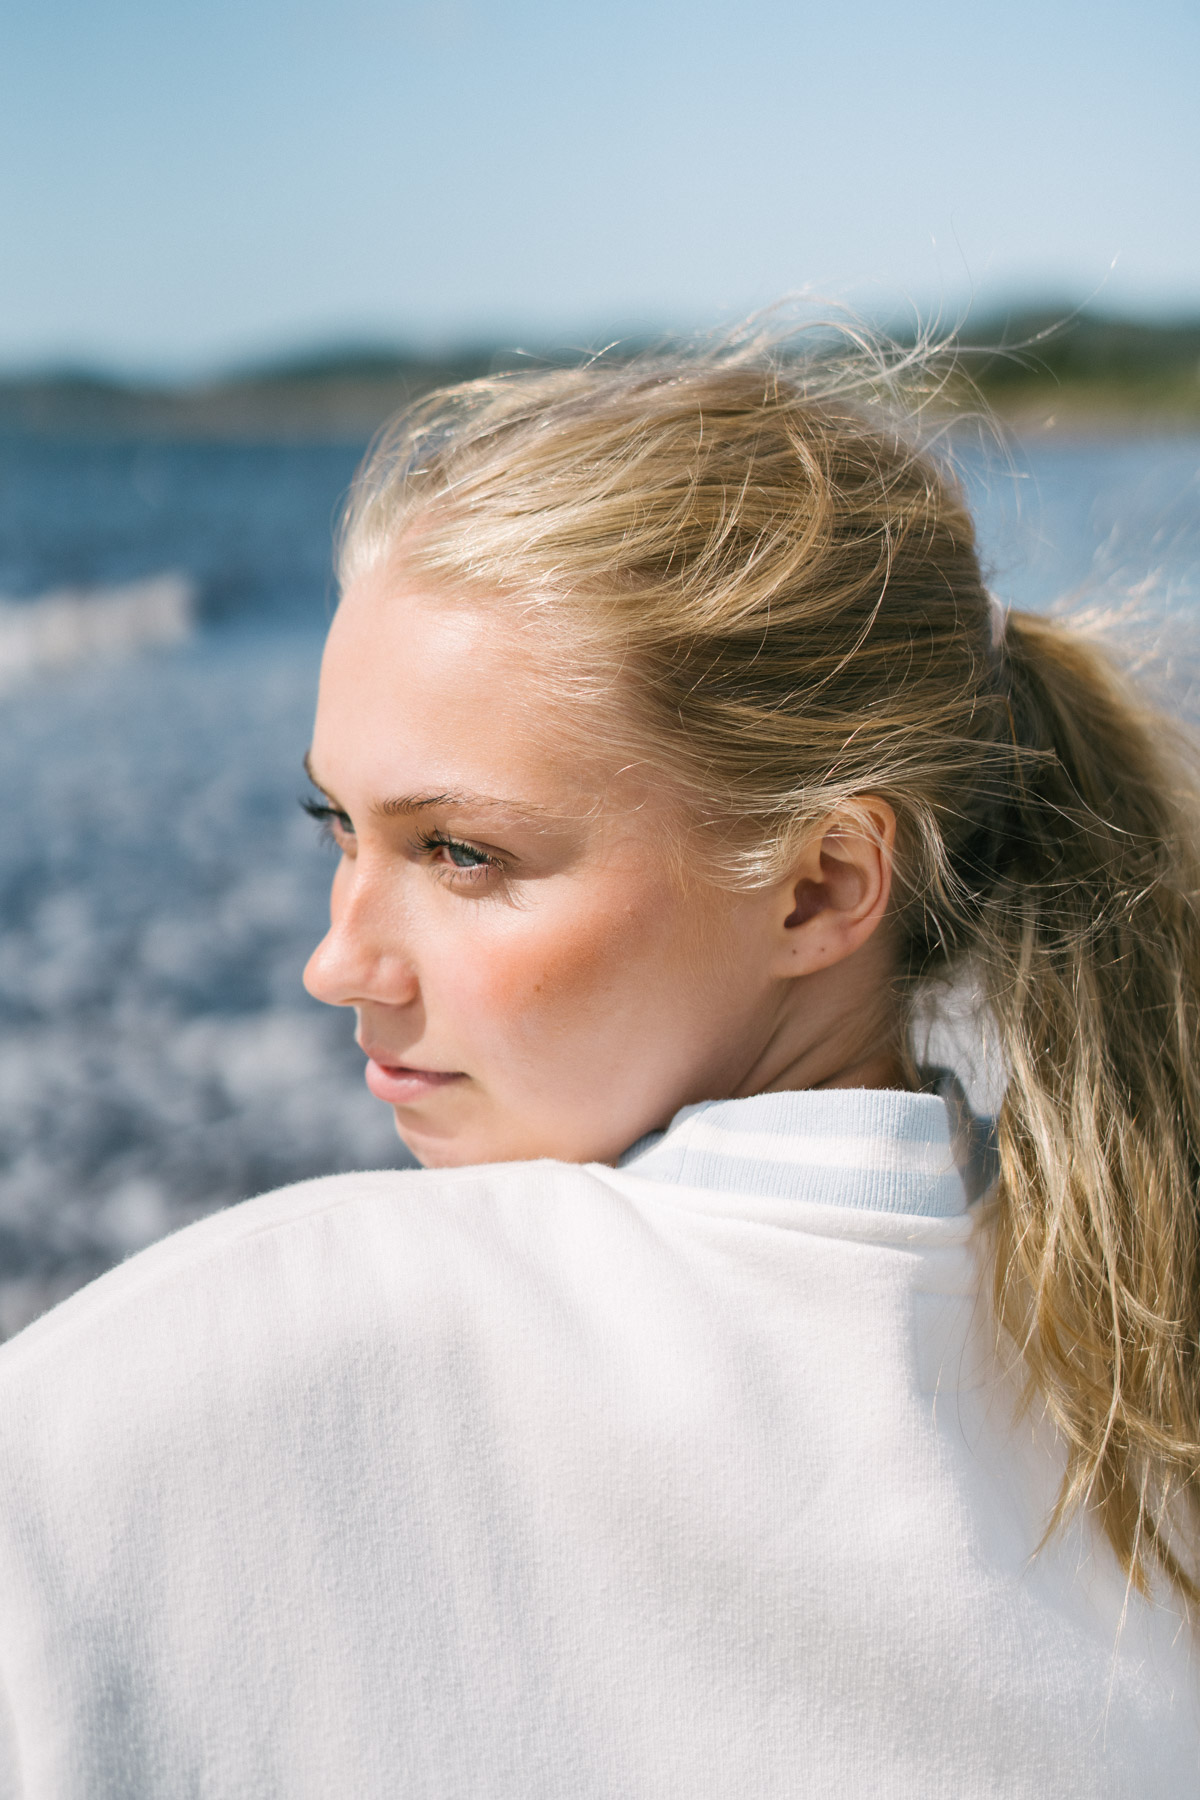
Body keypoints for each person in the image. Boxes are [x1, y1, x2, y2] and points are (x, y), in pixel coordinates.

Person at [1, 333, 1199, 1798]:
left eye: (462, 852)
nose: (338, 962)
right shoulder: (1131, 1371)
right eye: (338, 829)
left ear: (821, 886)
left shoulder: (232, 1369)